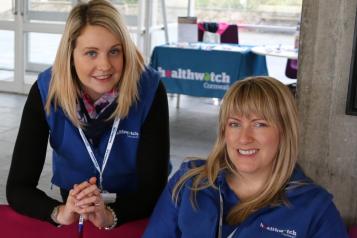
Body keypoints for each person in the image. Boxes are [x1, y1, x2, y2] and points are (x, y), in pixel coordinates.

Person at [6, 0, 169, 230]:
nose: (105, 65)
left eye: (114, 51)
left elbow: (154, 189)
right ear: (70, 55)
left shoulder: (149, 89)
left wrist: (111, 216)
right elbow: (17, 188)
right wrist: (58, 212)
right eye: (91, 53)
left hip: (135, 211)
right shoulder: (46, 90)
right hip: (75, 208)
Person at [143, 76, 348, 238]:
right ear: (224, 131)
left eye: (259, 124)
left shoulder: (314, 206)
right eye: (234, 124)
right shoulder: (188, 182)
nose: (244, 138)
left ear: (285, 131)